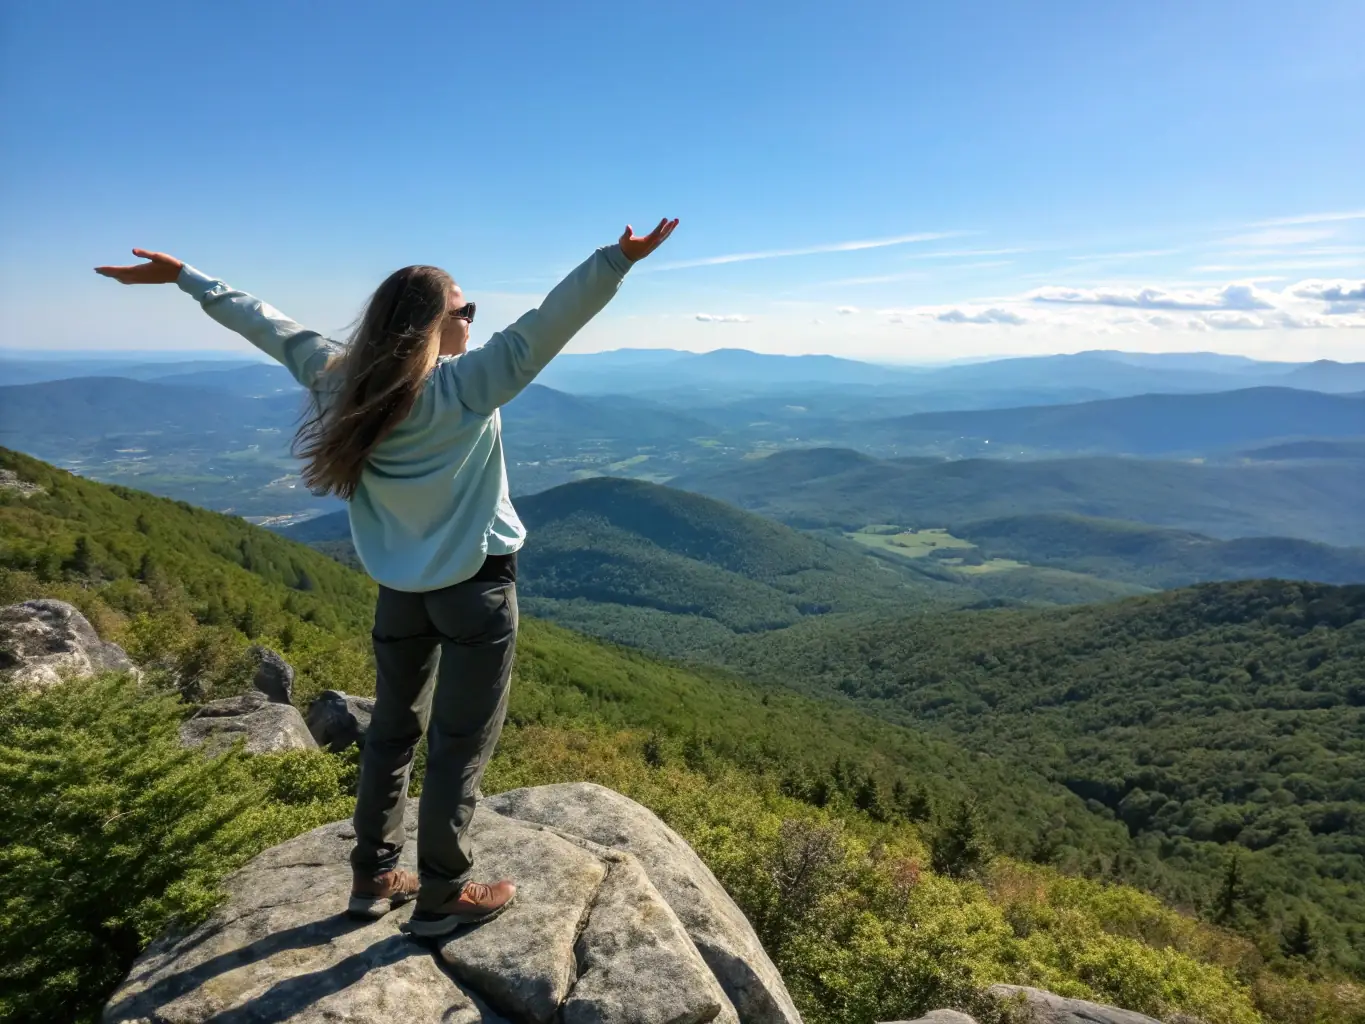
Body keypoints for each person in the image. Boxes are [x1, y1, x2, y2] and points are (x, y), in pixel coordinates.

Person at [95, 218, 679, 937]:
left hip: (398, 594)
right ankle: (442, 894)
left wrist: (188, 278)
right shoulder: (467, 387)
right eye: (464, 310)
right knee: (458, 747)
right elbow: (546, 325)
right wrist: (615, 260)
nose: (473, 321)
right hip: (478, 591)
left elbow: (265, 324)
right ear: (436, 323)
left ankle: (373, 877)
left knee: (391, 735)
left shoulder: (341, 381)